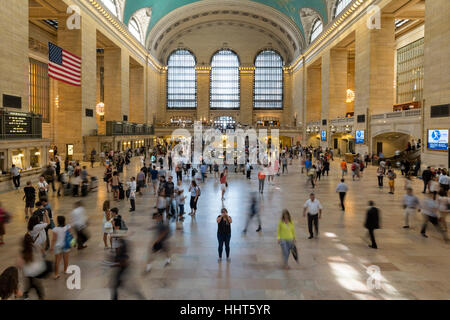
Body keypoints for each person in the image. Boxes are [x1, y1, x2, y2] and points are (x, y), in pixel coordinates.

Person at [17, 233, 47, 299]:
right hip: (37, 275)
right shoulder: (37, 247)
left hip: (27, 277)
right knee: (41, 294)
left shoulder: (23, 252)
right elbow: (43, 255)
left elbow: (19, 265)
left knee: (24, 294)